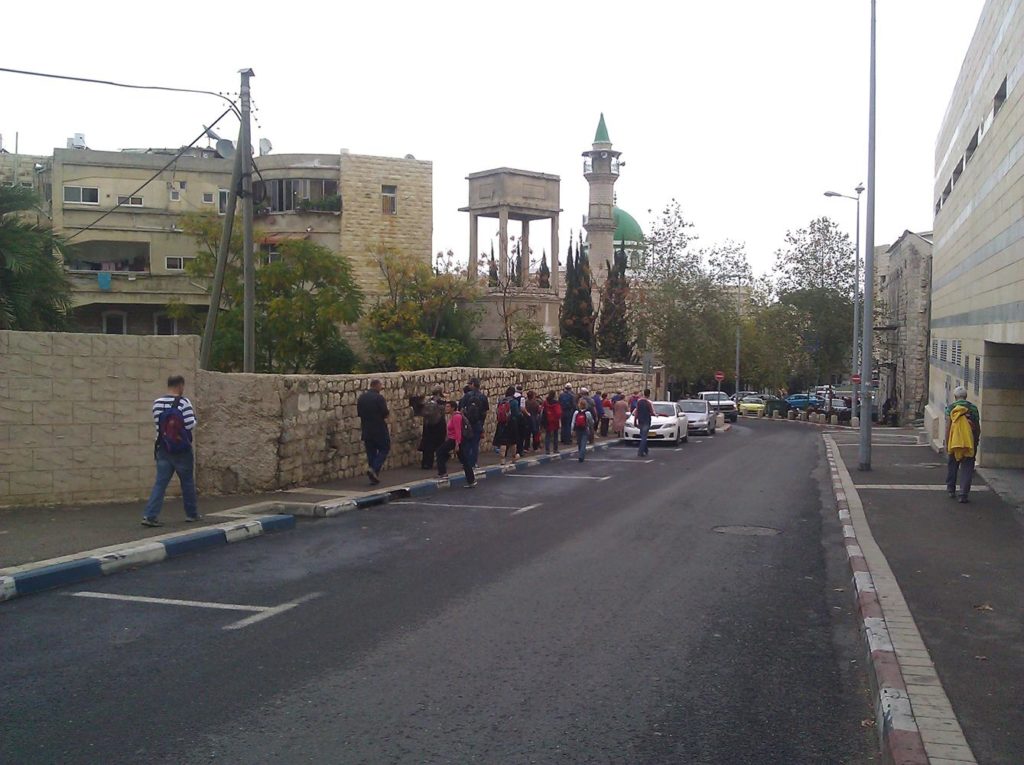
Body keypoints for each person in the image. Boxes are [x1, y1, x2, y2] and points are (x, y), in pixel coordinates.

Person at [142, 375, 199, 527]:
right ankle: (191, 514)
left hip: (163, 448)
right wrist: (194, 419)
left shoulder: (157, 403)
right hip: (182, 450)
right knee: (187, 482)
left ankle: (150, 515)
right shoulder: (184, 402)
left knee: (160, 483)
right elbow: (190, 425)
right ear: (180, 385)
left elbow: (158, 426)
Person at [945, 386, 981, 503]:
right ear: (966, 396)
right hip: (968, 443)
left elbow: (948, 427)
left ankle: (951, 489)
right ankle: (963, 494)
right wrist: (975, 442)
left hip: (955, 442)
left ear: (955, 397)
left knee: (952, 466)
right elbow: (977, 427)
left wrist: (947, 443)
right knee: (967, 468)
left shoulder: (951, 408)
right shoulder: (973, 409)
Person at [357, 378, 390, 485]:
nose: (382, 387)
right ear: (376, 385)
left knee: (371, 452)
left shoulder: (362, 398)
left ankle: (373, 475)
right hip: (379, 428)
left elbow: (359, 413)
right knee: (384, 448)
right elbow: (385, 413)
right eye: (381, 385)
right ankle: (374, 469)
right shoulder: (379, 398)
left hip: (366, 429)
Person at [436, 401, 476, 486]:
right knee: (463, 460)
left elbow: (458, 431)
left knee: (440, 452)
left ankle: (443, 473)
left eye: (448, 406)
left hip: (456, 440)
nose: (446, 408)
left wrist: (457, 444)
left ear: (453, 408)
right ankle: (471, 480)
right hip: (452, 440)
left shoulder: (457, 417)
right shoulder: (452, 416)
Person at [458, 378, 489, 470]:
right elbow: (484, 412)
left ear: (472, 384)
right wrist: (481, 423)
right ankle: (473, 463)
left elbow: (461, 410)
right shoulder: (483, 397)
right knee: (475, 444)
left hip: (467, 423)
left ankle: (466, 463)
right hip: (478, 423)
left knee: (466, 443)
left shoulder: (467, 396)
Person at [417, 387, 447, 470]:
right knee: (440, 445)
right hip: (439, 426)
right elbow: (443, 412)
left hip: (427, 426)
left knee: (428, 445)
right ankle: (440, 462)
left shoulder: (427, 402)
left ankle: (426, 463)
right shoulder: (441, 402)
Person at [492, 385, 520, 464]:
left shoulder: (501, 401)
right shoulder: (514, 402)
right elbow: (516, 414)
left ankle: (502, 460)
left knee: (503, 442)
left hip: (502, 423)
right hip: (512, 423)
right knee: (513, 442)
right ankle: (513, 458)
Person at [634, 388, 654, 456]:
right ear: (649, 394)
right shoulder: (649, 402)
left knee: (642, 435)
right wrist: (656, 414)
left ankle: (646, 450)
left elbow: (637, 412)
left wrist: (635, 421)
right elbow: (652, 412)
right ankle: (640, 452)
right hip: (646, 420)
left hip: (640, 420)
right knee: (644, 437)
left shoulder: (639, 401)